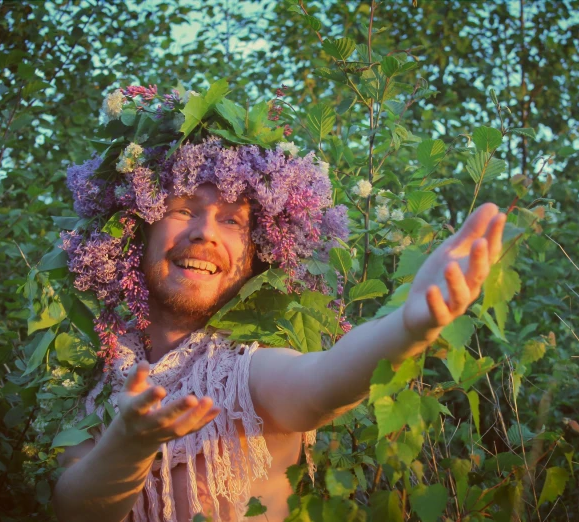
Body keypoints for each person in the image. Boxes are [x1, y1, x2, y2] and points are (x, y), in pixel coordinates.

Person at [48, 85, 506, 522]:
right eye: (183, 209)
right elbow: (73, 512)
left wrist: (408, 327)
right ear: (137, 231)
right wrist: (127, 443)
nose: (205, 232)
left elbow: (326, 379)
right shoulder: (107, 369)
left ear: (257, 257)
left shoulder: (247, 373)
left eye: (232, 220)